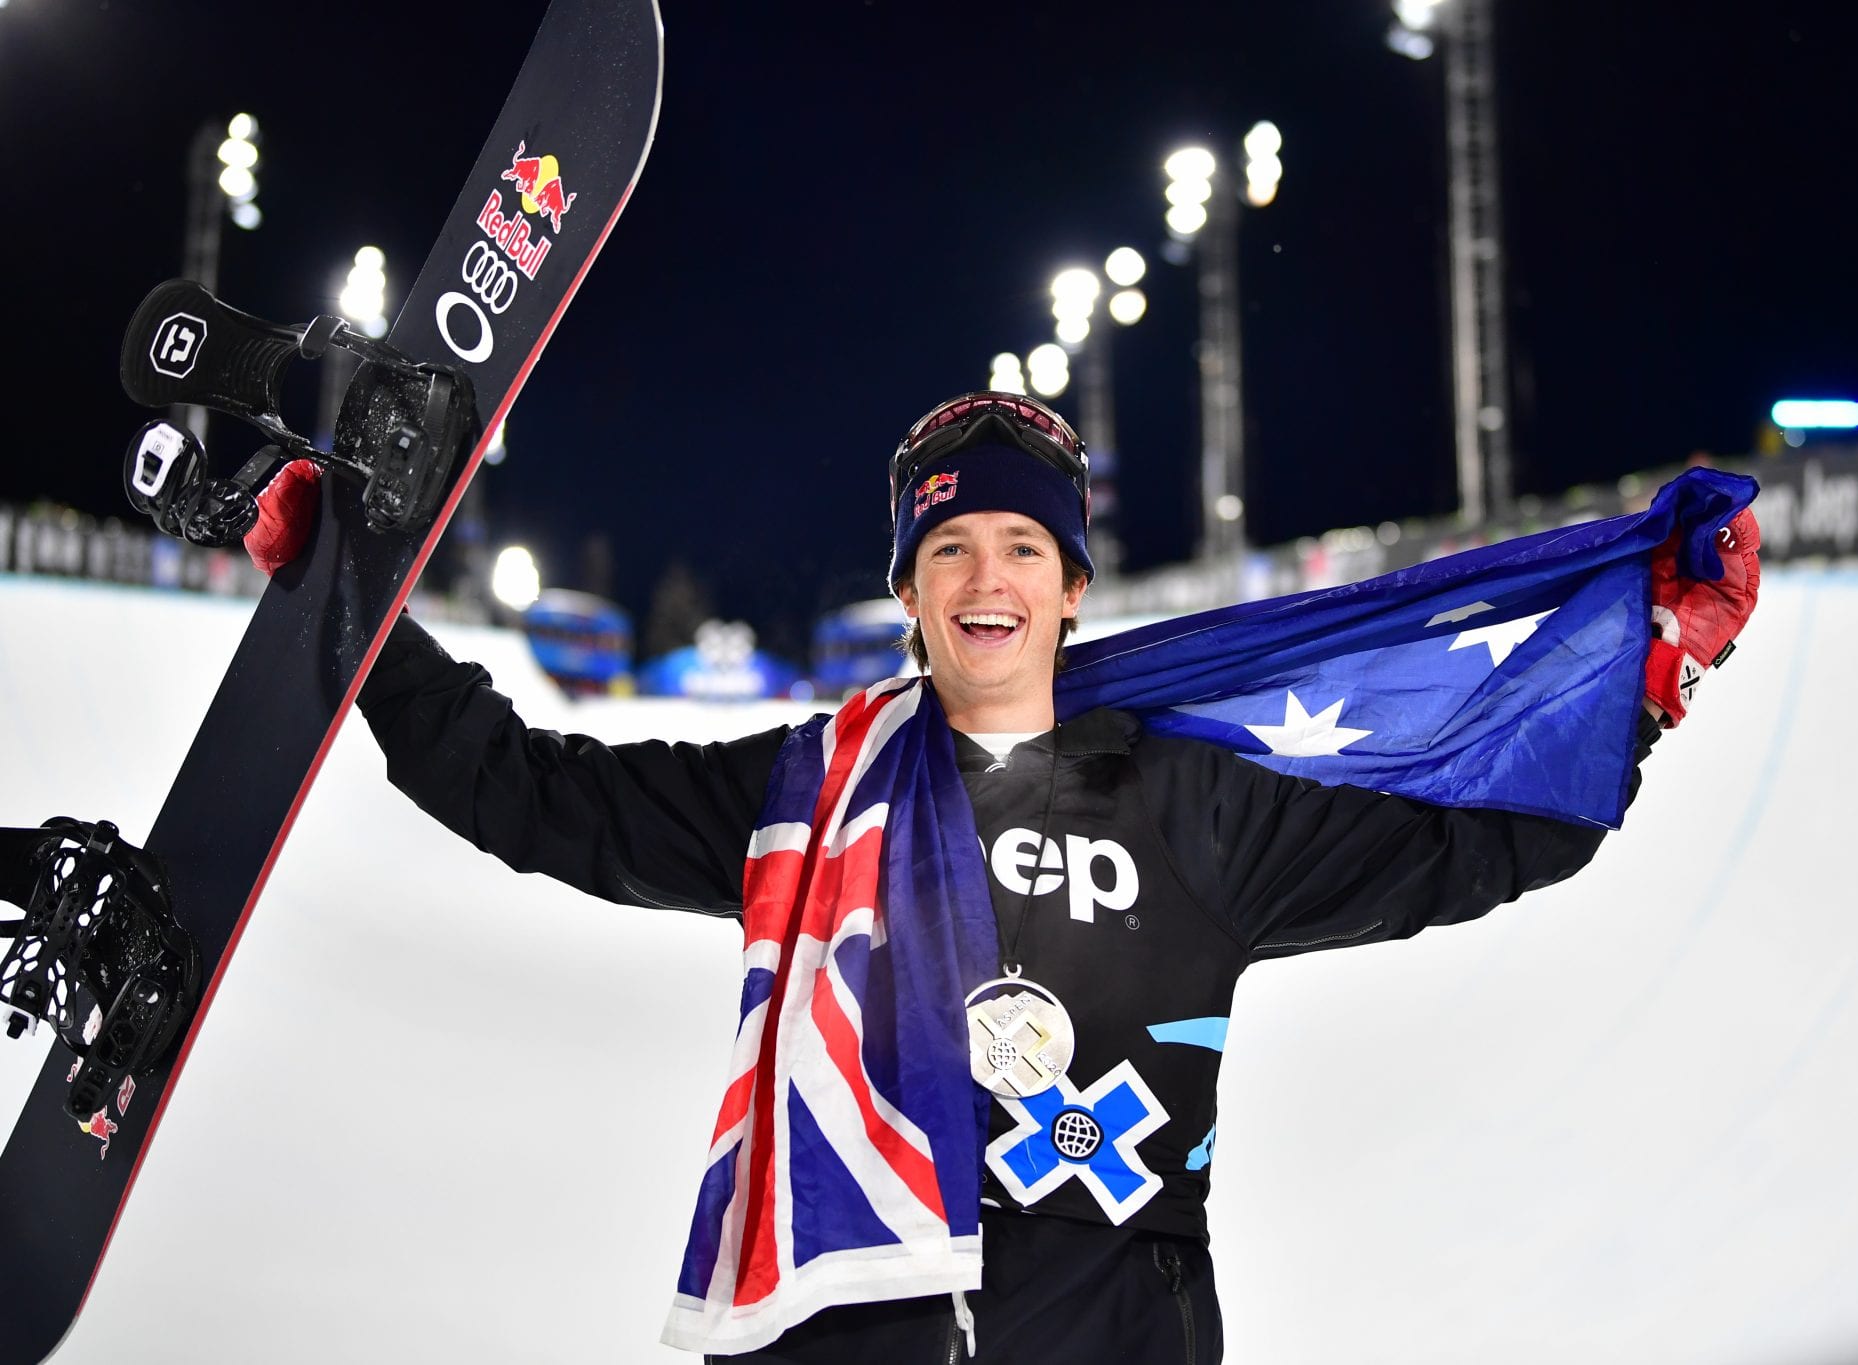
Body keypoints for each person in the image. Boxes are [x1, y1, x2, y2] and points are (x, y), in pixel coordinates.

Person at [245, 392, 1760, 1363]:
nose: (986, 580)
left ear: (1073, 585)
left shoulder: (1192, 806)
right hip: (839, 1335)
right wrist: (355, 609)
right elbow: (534, 795)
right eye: (951, 546)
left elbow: (1468, 842)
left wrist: (1644, 681)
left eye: (1023, 545)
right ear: (905, 585)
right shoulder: (803, 793)